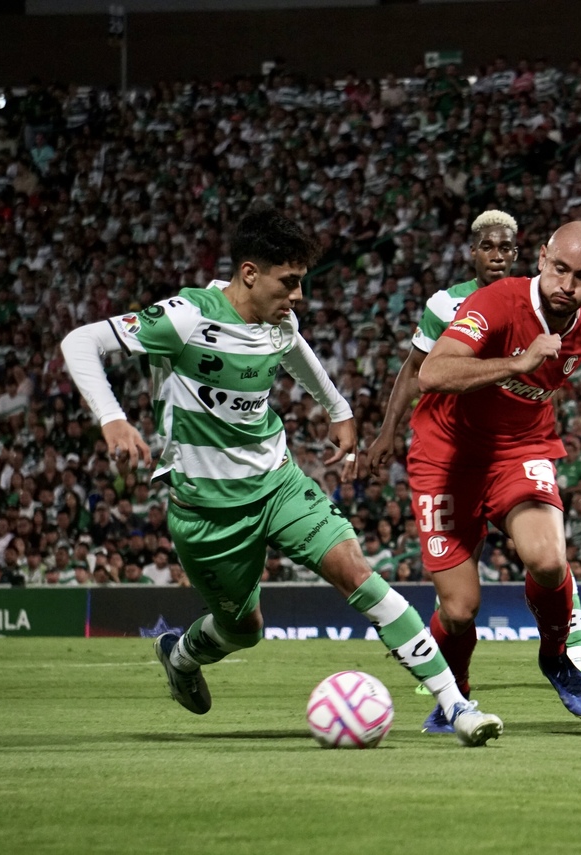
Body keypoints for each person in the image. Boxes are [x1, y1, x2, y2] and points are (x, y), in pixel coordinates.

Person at [60, 206, 502, 747]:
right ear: (250, 273)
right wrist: (112, 418)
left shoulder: (279, 322)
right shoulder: (186, 317)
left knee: (357, 572)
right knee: (242, 630)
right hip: (208, 513)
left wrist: (338, 410)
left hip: (279, 483)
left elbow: (295, 351)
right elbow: (80, 342)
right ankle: (181, 656)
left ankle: (456, 706)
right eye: (289, 282)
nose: (299, 296)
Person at [364, 210, 581, 702]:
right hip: (446, 456)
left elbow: (536, 389)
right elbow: (430, 373)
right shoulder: (492, 302)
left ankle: (558, 656)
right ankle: (454, 696)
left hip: (519, 450)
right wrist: (517, 363)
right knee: (459, 609)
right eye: (560, 269)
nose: (567, 285)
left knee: (548, 559)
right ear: (541, 259)